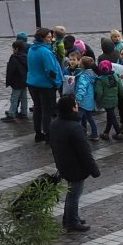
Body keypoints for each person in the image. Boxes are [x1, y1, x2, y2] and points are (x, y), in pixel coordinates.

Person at [48, 95, 100, 232]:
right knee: (74, 195)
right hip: (75, 167)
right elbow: (84, 152)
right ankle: (71, 221)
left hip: (63, 163)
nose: (77, 106)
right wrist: (94, 170)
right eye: (75, 104)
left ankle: (71, 217)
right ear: (71, 108)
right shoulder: (75, 127)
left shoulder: (55, 123)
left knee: (72, 193)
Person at [27, 27, 63, 142]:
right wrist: (56, 83)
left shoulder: (31, 49)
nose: (51, 39)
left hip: (32, 83)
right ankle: (48, 134)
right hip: (45, 86)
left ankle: (38, 133)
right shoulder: (45, 52)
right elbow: (50, 71)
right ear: (42, 38)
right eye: (48, 37)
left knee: (37, 108)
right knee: (47, 110)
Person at [94, 59, 123, 141]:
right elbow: (120, 88)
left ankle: (118, 133)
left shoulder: (100, 80)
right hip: (114, 100)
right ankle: (106, 133)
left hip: (106, 101)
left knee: (112, 116)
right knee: (110, 115)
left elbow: (99, 92)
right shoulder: (115, 76)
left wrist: (97, 100)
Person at [74, 57, 99, 141]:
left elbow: (81, 89)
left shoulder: (83, 76)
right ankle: (94, 134)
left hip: (83, 102)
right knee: (89, 118)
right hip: (89, 101)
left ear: (83, 66)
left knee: (77, 118)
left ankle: (78, 135)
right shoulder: (92, 74)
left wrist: (77, 100)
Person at [4, 39, 29, 121]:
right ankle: (24, 112)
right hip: (24, 81)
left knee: (14, 98)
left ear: (16, 49)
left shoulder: (14, 57)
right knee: (24, 97)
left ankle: (11, 114)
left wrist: (9, 81)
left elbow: (10, 71)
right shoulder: (26, 56)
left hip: (16, 82)